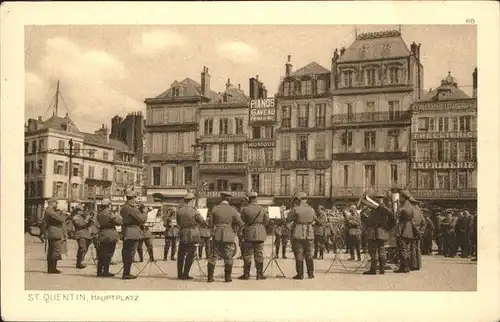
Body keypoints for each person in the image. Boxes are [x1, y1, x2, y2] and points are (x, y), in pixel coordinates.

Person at [206, 191, 244, 283]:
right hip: (228, 234)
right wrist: (234, 229)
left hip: (217, 233)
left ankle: (210, 278)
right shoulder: (233, 210)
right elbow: (241, 223)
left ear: (221, 198)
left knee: (213, 256)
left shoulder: (214, 209)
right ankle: (227, 278)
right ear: (229, 199)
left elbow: (210, 224)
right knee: (228, 256)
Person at [361, 194, 396, 275]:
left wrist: (364, 214)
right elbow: (393, 219)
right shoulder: (385, 208)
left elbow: (369, 221)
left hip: (374, 232)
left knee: (373, 251)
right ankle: (382, 269)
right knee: (381, 250)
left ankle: (373, 270)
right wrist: (387, 227)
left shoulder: (375, 208)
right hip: (382, 232)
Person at [238, 191, 270, 280]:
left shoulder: (245, 209)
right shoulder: (262, 209)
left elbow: (242, 221)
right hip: (260, 232)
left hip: (249, 233)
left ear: (249, 199)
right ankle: (259, 275)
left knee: (247, 254)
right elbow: (266, 221)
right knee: (259, 254)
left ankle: (246, 275)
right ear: (256, 198)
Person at [177, 192, 207, 280]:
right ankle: (185, 274)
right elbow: (203, 222)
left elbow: (178, 223)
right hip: (192, 235)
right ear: (192, 201)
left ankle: (179, 274)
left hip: (183, 234)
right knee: (190, 255)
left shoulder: (179, 211)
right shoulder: (195, 212)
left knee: (181, 255)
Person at [286, 192, 316, 279]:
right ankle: (311, 274)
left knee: (299, 253)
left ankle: (300, 275)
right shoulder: (312, 209)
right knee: (309, 254)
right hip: (309, 233)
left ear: (298, 199)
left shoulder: (295, 209)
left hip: (298, 233)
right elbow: (314, 220)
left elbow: (288, 220)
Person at [120, 191, 147, 280]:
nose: (136, 200)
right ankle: (126, 273)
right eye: (136, 198)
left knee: (126, 252)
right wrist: (144, 212)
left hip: (126, 231)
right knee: (130, 253)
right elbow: (142, 220)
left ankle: (126, 272)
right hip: (132, 232)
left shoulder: (124, 207)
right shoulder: (132, 209)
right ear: (133, 198)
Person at [96, 198, 123, 277]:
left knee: (101, 254)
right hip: (110, 235)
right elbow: (119, 223)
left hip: (102, 234)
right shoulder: (110, 214)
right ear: (108, 205)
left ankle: (99, 271)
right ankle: (106, 272)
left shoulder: (99, 214)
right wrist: (116, 217)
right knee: (109, 254)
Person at [393, 189, 415, 273]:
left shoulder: (402, 207)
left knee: (402, 249)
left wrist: (398, 208)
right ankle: (407, 266)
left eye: (400, 197)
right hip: (409, 230)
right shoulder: (410, 207)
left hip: (402, 229)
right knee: (407, 249)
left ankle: (403, 267)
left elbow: (396, 216)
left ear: (403, 197)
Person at [43, 198, 67, 274]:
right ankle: (53, 269)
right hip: (54, 233)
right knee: (56, 251)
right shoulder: (50, 211)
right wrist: (63, 213)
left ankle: (51, 268)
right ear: (52, 203)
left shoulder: (49, 210)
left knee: (51, 251)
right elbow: (61, 219)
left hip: (52, 232)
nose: (56, 205)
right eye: (56, 203)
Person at [72, 203, 95, 269]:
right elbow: (79, 225)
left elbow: (87, 225)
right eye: (82, 210)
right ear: (78, 211)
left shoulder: (82, 217)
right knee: (82, 248)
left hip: (86, 234)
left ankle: (81, 261)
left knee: (85, 248)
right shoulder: (75, 217)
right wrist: (86, 220)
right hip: (80, 234)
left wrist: (90, 221)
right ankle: (79, 262)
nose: (83, 212)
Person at [410, 200, 425, 271]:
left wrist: (417, 231)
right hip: (419, 231)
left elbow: (412, 223)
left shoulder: (412, 211)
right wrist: (421, 231)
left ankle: (414, 265)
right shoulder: (419, 212)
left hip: (413, 231)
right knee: (418, 248)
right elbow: (424, 222)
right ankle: (419, 265)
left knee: (413, 248)